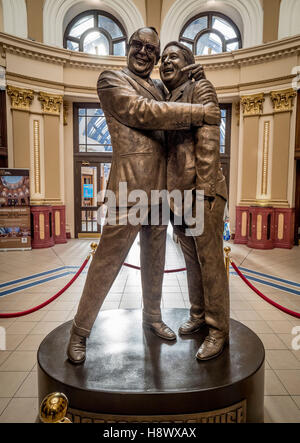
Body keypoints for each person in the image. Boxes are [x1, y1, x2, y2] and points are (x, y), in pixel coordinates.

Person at [67, 28, 221, 364]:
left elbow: (181, 94)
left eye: (152, 48)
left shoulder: (157, 86)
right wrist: (200, 112)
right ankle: (79, 332)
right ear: (127, 47)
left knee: (155, 261)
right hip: (129, 190)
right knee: (106, 264)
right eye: (138, 45)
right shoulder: (112, 79)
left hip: (162, 192)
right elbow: (143, 112)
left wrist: (198, 78)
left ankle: (152, 317)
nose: (145, 52)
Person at [160, 41, 229, 361]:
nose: (165, 62)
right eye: (163, 58)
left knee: (211, 264)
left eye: (172, 56)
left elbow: (209, 143)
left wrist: (204, 192)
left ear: (188, 63)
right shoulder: (167, 95)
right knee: (192, 262)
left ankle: (217, 330)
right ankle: (199, 314)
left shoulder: (201, 89)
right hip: (179, 196)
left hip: (203, 193)